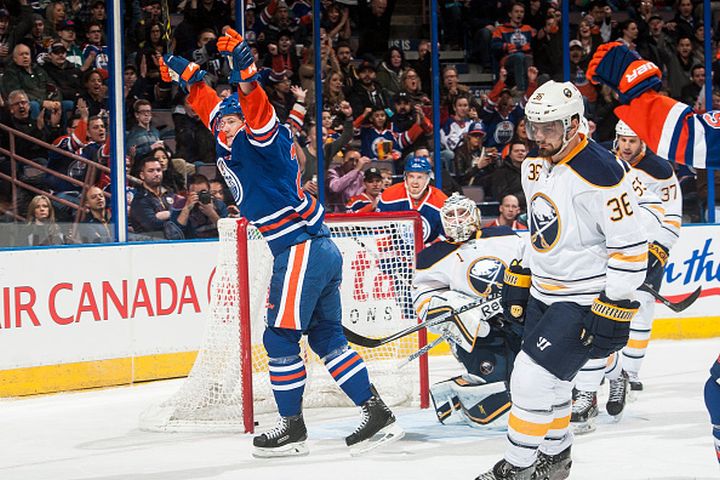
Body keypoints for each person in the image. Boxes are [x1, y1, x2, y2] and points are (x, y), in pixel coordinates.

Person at [159, 28, 402, 457]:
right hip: (316, 247)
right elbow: (213, 109)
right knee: (326, 337)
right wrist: (190, 79)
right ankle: (376, 412)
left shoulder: (261, 140)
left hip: (299, 247)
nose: (225, 126)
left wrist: (246, 74)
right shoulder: (231, 136)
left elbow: (253, 108)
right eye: (222, 122)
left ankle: (291, 428)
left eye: (231, 120)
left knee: (278, 339)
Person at [476, 80, 647, 480]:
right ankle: (556, 459)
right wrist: (522, 267)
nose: (538, 137)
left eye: (548, 128)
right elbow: (541, 227)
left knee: (530, 379)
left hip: (583, 299)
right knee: (551, 385)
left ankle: (517, 468)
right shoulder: (534, 165)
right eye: (533, 128)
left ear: (574, 123)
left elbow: (631, 247)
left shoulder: (602, 173)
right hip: (543, 293)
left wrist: (616, 303)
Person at [413, 193, 523, 428]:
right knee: (497, 410)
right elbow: (423, 298)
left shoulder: (503, 236)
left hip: (517, 319)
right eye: (450, 216)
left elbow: (527, 266)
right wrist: (457, 312)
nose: (456, 220)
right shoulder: (433, 255)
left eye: (461, 213)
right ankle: (454, 397)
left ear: (475, 215)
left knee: (530, 379)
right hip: (480, 334)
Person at [376, 154, 448, 245]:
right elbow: (379, 228)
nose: (415, 182)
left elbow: (446, 235)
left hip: (430, 254)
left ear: (428, 178)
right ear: (405, 177)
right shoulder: (390, 195)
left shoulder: (440, 200)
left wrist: (429, 249)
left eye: (420, 177)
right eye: (411, 176)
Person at [129, 154, 181, 240]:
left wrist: (167, 214)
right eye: (151, 171)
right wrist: (174, 214)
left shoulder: (169, 193)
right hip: (151, 245)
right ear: (142, 175)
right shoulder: (140, 200)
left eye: (158, 170)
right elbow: (153, 225)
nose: (156, 174)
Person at [174, 174, 227, 238]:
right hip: (192, 244)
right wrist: (186, 209)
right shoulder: (180, 205)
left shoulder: (219, 204)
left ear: (209, 190)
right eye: (196, 193)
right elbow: (175, 235)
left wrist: (211, 213)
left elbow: (226, 231)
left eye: (203, 192)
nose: (200, 196)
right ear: (188, 193)